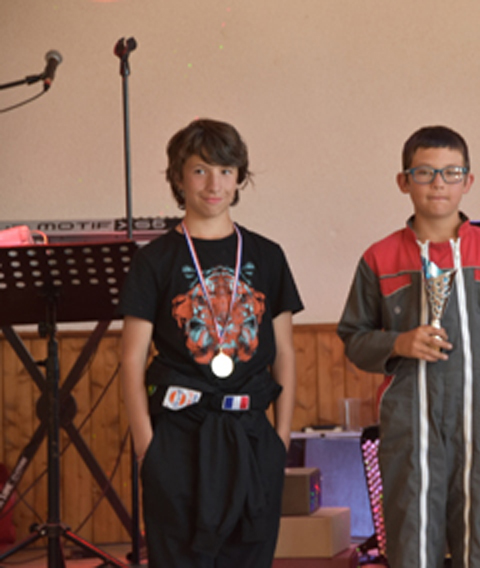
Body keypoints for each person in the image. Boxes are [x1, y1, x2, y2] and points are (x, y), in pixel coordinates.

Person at [337, 125, 480, 568]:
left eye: (451, 173)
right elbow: (353, 338)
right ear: (403, 181)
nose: (438, 183)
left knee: (479, 543)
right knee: (411, 542)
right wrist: (398, 342)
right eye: (425, 172)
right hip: (410, 426)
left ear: (468, 181)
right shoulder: (379, 258)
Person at [119, 118, 303, 567]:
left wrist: (281, 437)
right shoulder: (154, 260)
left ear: (239, 177)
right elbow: (131, 359)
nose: (213, 184)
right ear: (178, 178)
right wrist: (147, 446)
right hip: (179, 436)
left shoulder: (267, 255)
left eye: (225, 170)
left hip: (252, 435)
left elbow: (284, 353)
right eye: (200, 170)